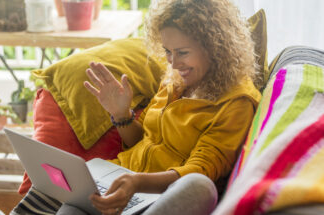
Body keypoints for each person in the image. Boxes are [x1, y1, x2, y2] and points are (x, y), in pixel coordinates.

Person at [56, 0, 261, 214]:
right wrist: (121, 114)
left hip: (163, 197)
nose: (173, 63)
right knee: (74, 201)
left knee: (200, 187)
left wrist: (137, 182)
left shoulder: (237, 102)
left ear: (215, 47)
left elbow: (201, 171)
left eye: (182, 52)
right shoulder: (174, 81)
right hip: (125, 183)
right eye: (168, 51)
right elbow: (140, 141)